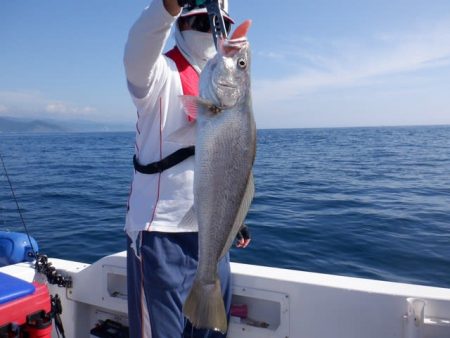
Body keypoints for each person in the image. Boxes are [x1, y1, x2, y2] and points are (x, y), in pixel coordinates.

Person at [123, 1, 250, 337]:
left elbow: (232, 161)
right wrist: (166, 7)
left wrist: (236, 219)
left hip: (213, 238)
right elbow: (138, 48)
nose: (211, 32)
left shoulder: (223, 84)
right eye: (201, 24)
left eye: (218, 25)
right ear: (180, 25)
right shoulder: (159, 73)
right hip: (160, 236)